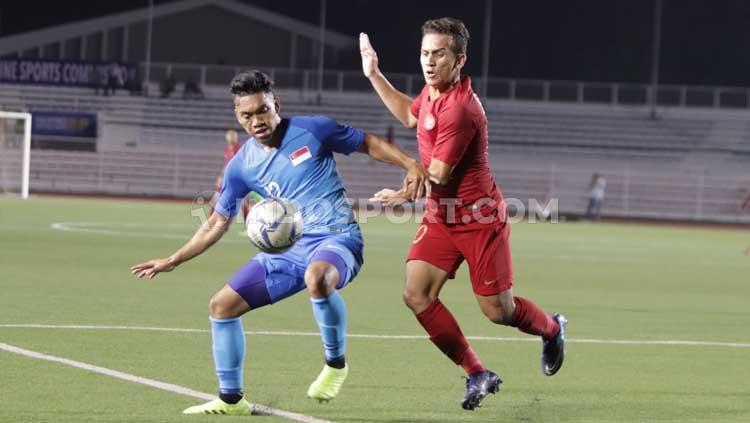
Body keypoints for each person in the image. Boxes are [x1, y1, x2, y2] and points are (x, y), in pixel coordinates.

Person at [131, 70, 429, 415]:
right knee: (221, 307)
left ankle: (335, 364)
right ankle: (232, 400)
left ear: (276, 104)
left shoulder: (313, 129)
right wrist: (174, 259)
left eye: (262, 110)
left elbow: (369, 143)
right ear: (237, 116)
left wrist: (410, 163)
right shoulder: (240, 166)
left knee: (317, 277)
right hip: (287, 251)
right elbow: (216, 222)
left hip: (336, 239)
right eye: (247, 115)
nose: (256, 120)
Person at [361, 18, 567, 411]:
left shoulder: (460, 110)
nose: (429, 61)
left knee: (497, 311)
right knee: (416, 294)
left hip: (479, 220)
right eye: (425, 53)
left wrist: (403, 194)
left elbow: (437, 173)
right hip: (442, 216)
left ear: (459, 60)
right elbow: (409, 115)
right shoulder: (434, 94)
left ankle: (553, 328)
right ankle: (477, 372)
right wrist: (374, 74)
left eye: (439, 53)